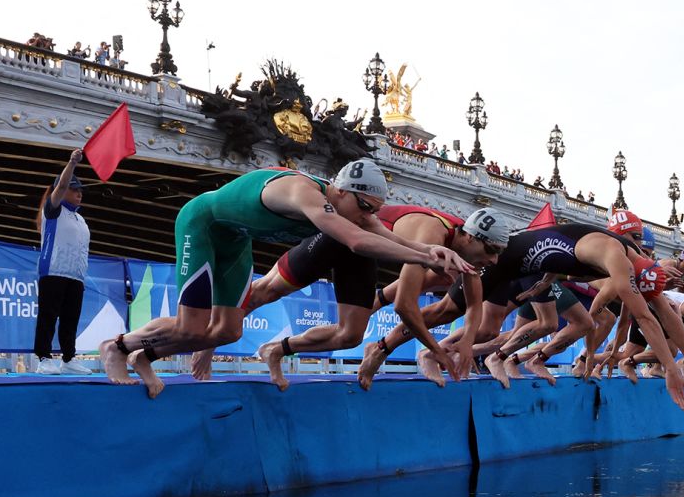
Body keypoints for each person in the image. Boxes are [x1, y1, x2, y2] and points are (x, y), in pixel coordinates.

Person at [101, 161, 473, 397]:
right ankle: (117, 347)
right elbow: (358, 242)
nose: (367, 216)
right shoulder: (303, 192)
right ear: (341, 191)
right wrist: (424, 255)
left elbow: (387, 237)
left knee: (226, 332)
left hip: (235, 241)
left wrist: (432, 254)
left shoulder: (354, 208)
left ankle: (143, 356)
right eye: (363, 208)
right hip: (202, 226)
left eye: (373, 211)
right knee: (191, 327)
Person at [33, 149, 92, 375]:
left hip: (75, 276)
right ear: (63, 190)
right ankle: (44, 358)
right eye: (74, 189)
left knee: (70, 319)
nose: (79, 194)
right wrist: (72, 162)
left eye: (80, 191)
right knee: (48, 316)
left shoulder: (80, 219)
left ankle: (68, 358)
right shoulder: (53, 210)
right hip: (54, 271)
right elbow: (61, 184)